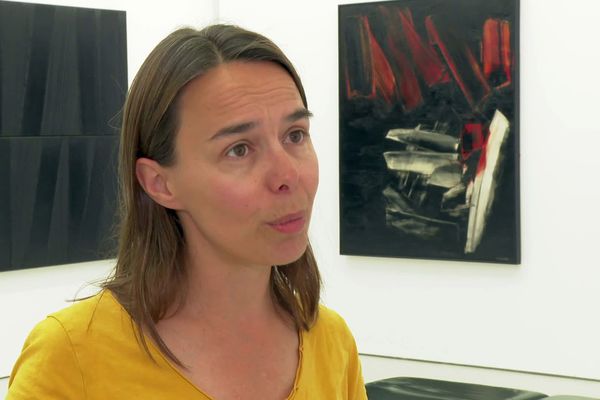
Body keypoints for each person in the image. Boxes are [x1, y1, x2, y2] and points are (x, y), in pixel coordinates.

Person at [7, 24, 367, 399]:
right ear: (160, 184)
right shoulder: (71, 356)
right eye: (239, 149)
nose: (288, 175)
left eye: (295, 135)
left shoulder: (331, 341)